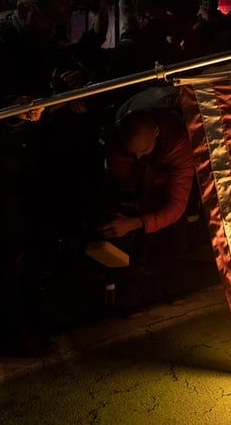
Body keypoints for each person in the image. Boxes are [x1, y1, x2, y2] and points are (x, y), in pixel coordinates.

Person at [0, 0, 91, 358]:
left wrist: (69, 91)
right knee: (13, 251)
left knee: (37, 245)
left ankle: (31, 321)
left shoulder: (44, 43)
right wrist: (24, 107)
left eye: (56, 22)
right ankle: (13, 333)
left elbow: (54, 86)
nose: (53, 28)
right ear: (24, 11)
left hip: (38, 158)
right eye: (47, 20)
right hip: (6, 163)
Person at [98, 101, 195, 314]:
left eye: (143, 150)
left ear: (157, 132)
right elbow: (120, 178)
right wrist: (126, 215)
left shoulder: (179, 144)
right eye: (133, 153)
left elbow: (176, 205)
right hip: (138, 183)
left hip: (167, 183)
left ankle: (171, 284)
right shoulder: (120, 142)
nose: (139, 156)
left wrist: (136, 223)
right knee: (121, 230)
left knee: (176, 228)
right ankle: (129, 294)